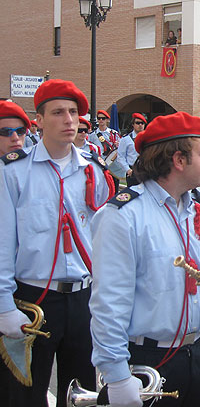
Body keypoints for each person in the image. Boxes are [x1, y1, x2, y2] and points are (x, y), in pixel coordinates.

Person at [89, 111, 200, 407]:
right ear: (179, 161)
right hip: (150, 360)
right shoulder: (124, 216)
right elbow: (109, 302)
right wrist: (116, 375)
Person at [0, 79, 114, 406]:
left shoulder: (93, 170)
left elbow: (107, 238)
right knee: (24, 392)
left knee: (79, 392)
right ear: (38, 120)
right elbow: (3, 244)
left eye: (74, 112)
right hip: (33, 298)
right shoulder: (13, 172)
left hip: (83, 297)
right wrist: (4, 306)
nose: (69, 120)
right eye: (59, 112)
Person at [116, 113, 147, 186]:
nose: (140, 125)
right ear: (133, 124)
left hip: (146, 170)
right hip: (133, 171)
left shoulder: (148, 139)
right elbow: (120, 157)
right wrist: (128, 170)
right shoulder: (126, 139)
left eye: (142, 123)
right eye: (137, 123)